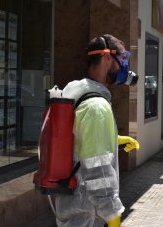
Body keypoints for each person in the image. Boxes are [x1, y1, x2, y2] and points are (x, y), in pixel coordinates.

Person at [54, 34, 140, 227]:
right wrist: (112, 215)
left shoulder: (74, 90)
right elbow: (97, 169)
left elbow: (80, 137)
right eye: (121, 58)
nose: (123, 66)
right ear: (107, 57)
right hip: (87, 210)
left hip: (70, 202)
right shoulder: (96, 106)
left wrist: (114, 139)